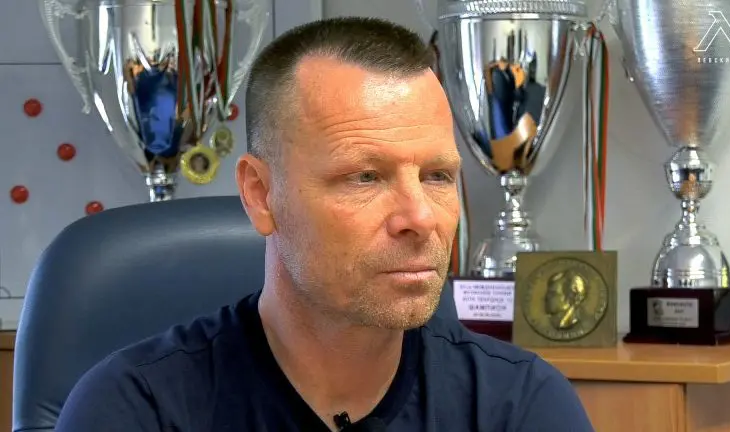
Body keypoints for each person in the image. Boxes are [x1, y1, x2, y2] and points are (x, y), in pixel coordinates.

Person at [55, 17, 593, 432]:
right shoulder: (135, 409)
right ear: (260, 195)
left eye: (437, 176)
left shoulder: (519, 405)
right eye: (365, 177)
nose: (420, 217)